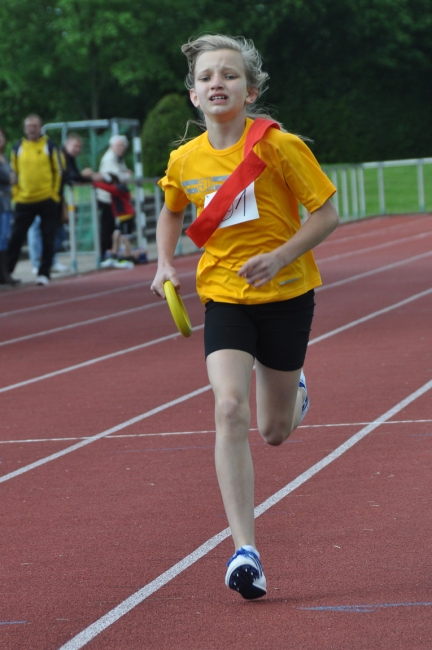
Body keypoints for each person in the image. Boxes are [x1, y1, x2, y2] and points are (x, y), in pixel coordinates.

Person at [151, 34, 339, 600]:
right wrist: (164, 262)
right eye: (208, 76)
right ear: (192, 95)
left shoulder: (278, 147)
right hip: (225, 298)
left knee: (274, 432)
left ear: (249, 90)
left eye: (230, 75)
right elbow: (170, 210)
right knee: (228, 407)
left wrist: (281, 255)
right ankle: (245, 551)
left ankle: (295, 391)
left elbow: (327, 213)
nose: (218, 83)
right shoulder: (185, 159)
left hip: (287, 293)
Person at [27, 132, 103, 275]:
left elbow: (72, 176)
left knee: (59, 232)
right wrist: (89, 177)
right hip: (41, 197)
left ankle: (49, 260)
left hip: (57, 198)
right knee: (37, 229)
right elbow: (70, 176)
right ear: (66, 144)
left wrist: (86, 177)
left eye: (79, 147)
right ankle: (38, 262)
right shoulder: (57, 155)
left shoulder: (68, 158)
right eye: (75, 146)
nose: (77, 149)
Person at [7, 114, 62, 286]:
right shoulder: (18, 148)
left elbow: (59, 171)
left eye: (35, 125)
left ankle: (44, 272)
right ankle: (7, 271)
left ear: (40, 127)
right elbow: (12, 174)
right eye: (29, 125)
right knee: (16, 237)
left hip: (47, 198)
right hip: (24, 200)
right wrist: (16, 195)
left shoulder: (50, 145)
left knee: (48, 236)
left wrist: (54, 195)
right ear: (24, 128)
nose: (32, 128)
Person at [96, 135, 133, 259]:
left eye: (122, 146)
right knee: (109, 228)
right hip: (107, 199)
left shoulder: (119, 158)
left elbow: (121, 175)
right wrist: (125, 176)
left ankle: (114, 252)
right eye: (118, 146)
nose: (121, 148)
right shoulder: (109, 159)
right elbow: (114, 178)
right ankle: (107, 254)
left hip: (116, 203)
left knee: (116, 231)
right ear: (112, 146)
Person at [0, 127, 19, 285]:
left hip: (6, 203)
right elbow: (9, 178)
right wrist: (10, 179)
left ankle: (4, 272)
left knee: (4, 237)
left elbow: (15, 177)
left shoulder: (5, 158)